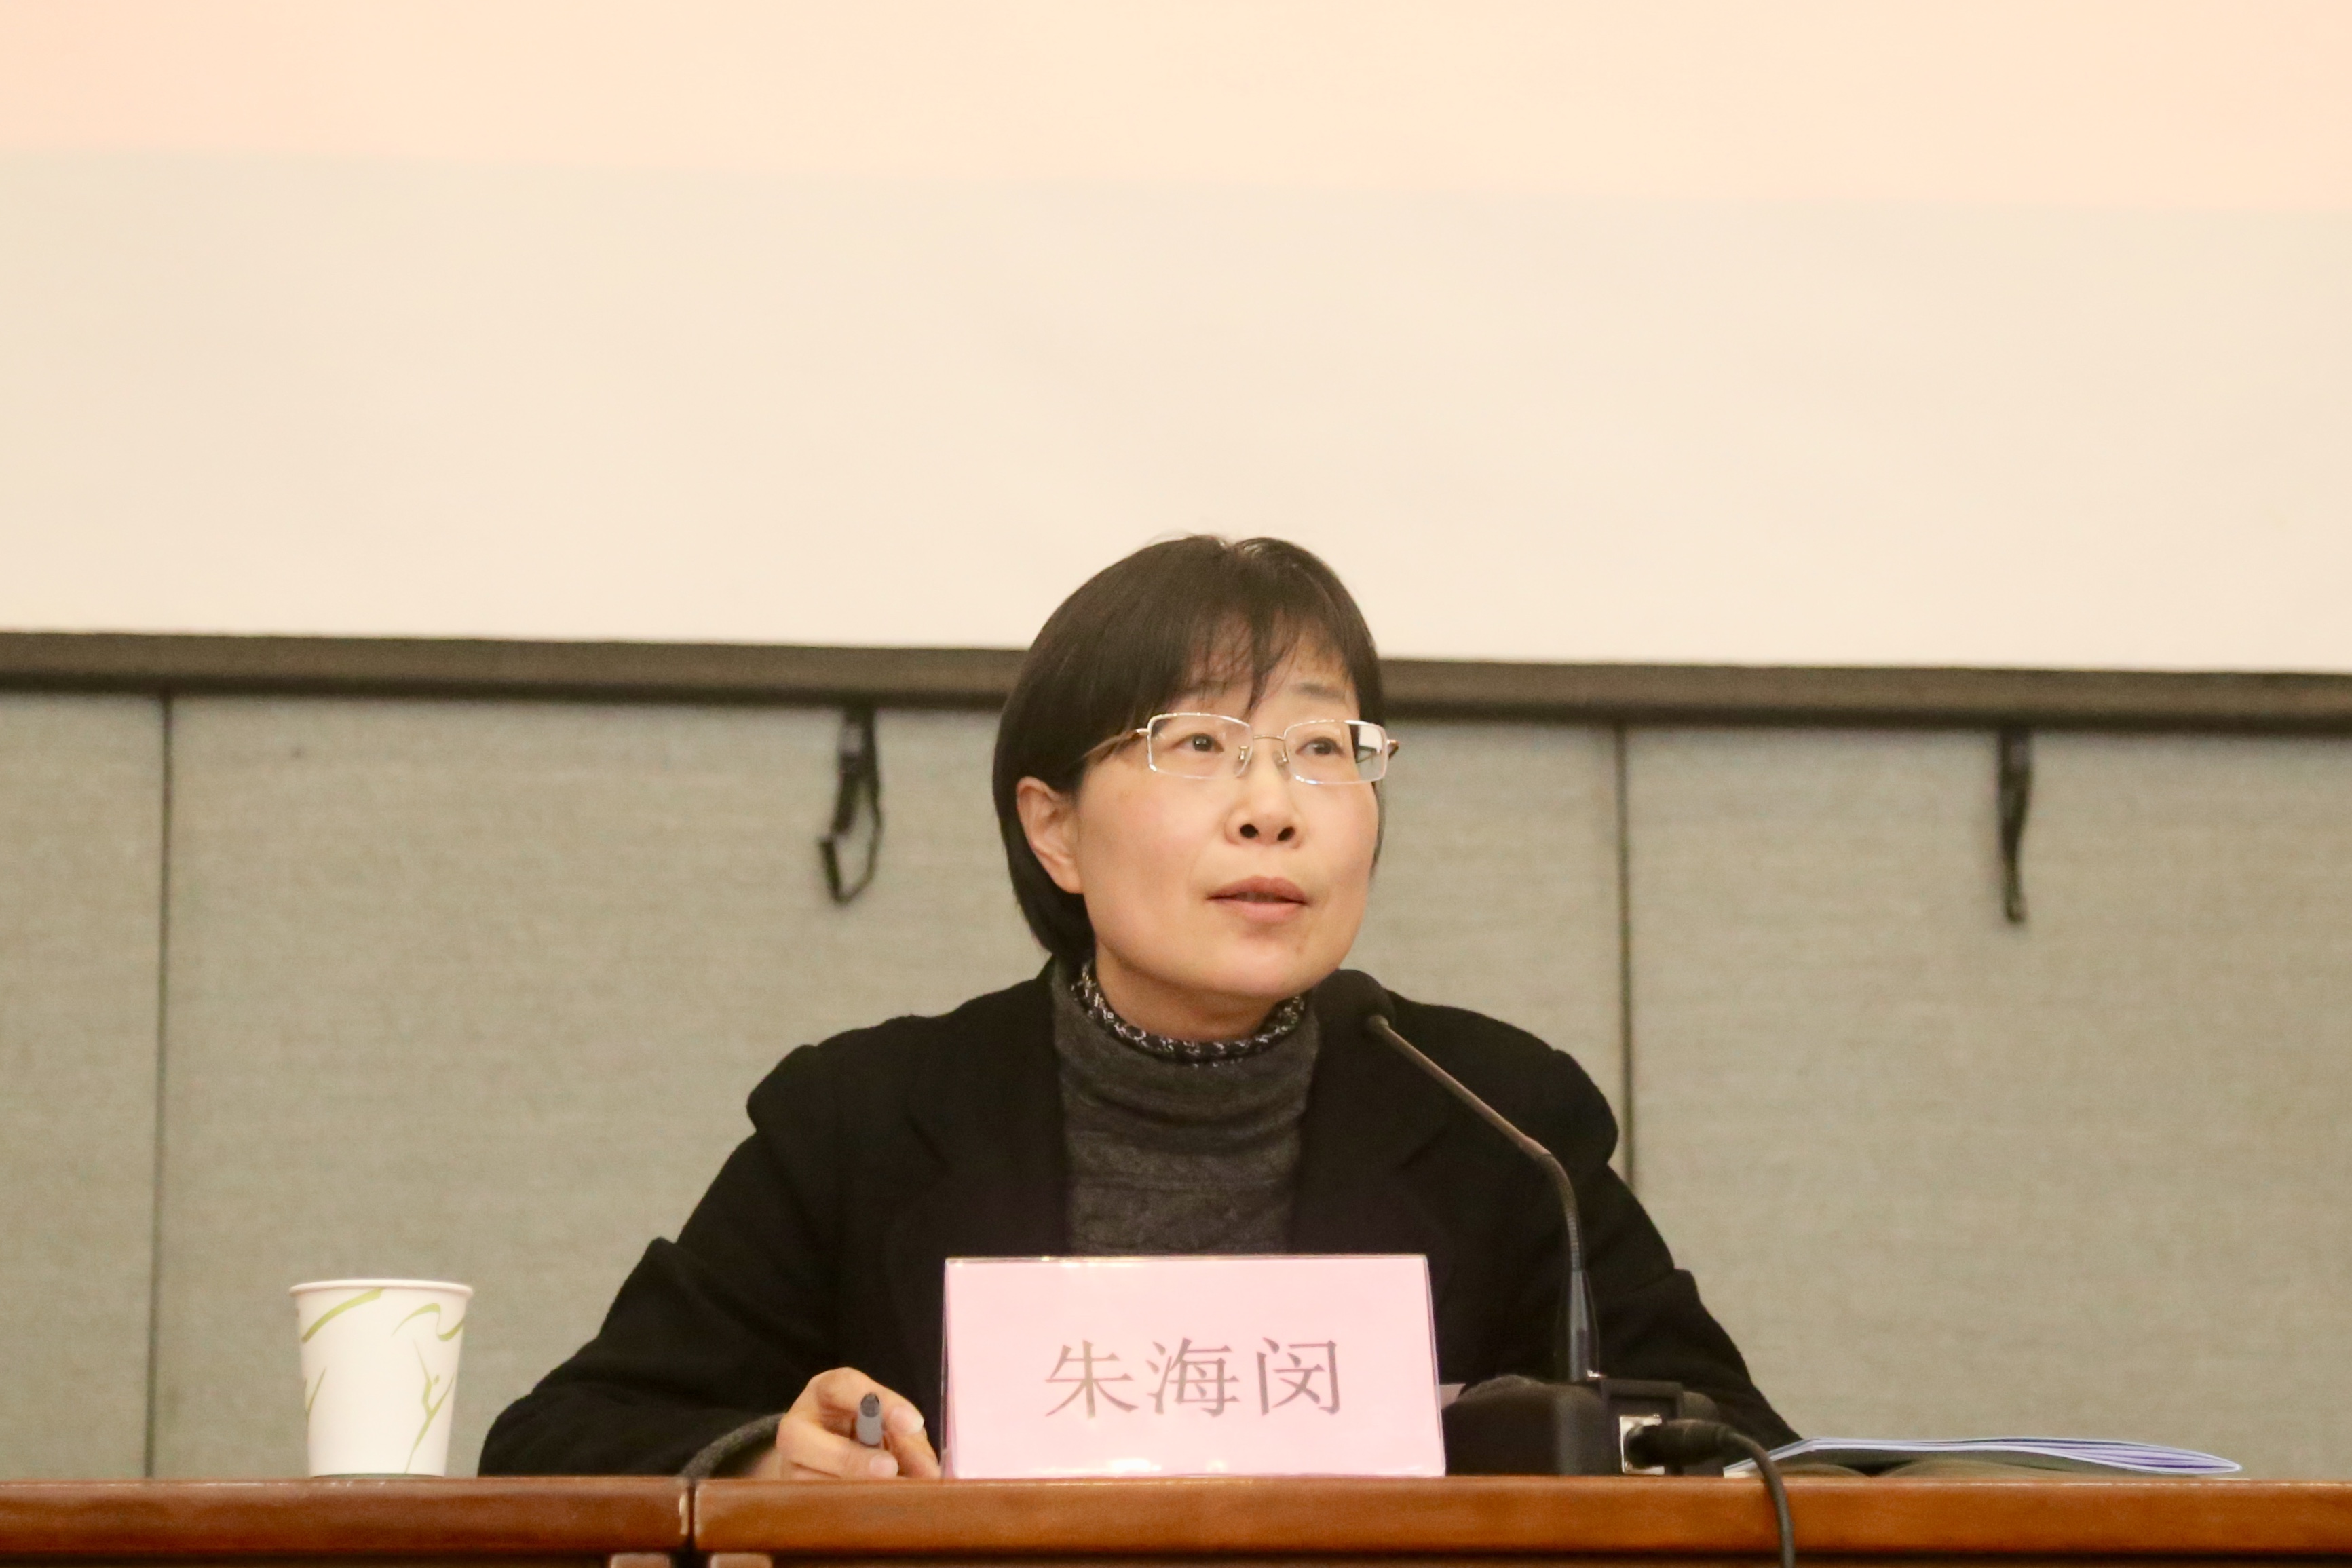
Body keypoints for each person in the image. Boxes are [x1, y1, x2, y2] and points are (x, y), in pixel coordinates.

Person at [479, 536, 1794, 1479]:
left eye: (1321, 749)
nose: (1270, 805)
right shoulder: (863, 1121)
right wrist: (772, 1458)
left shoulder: (1496, 1118)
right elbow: (558, 1441)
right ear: (1052, 828)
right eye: (1200, 745)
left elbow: (1737, 1448)